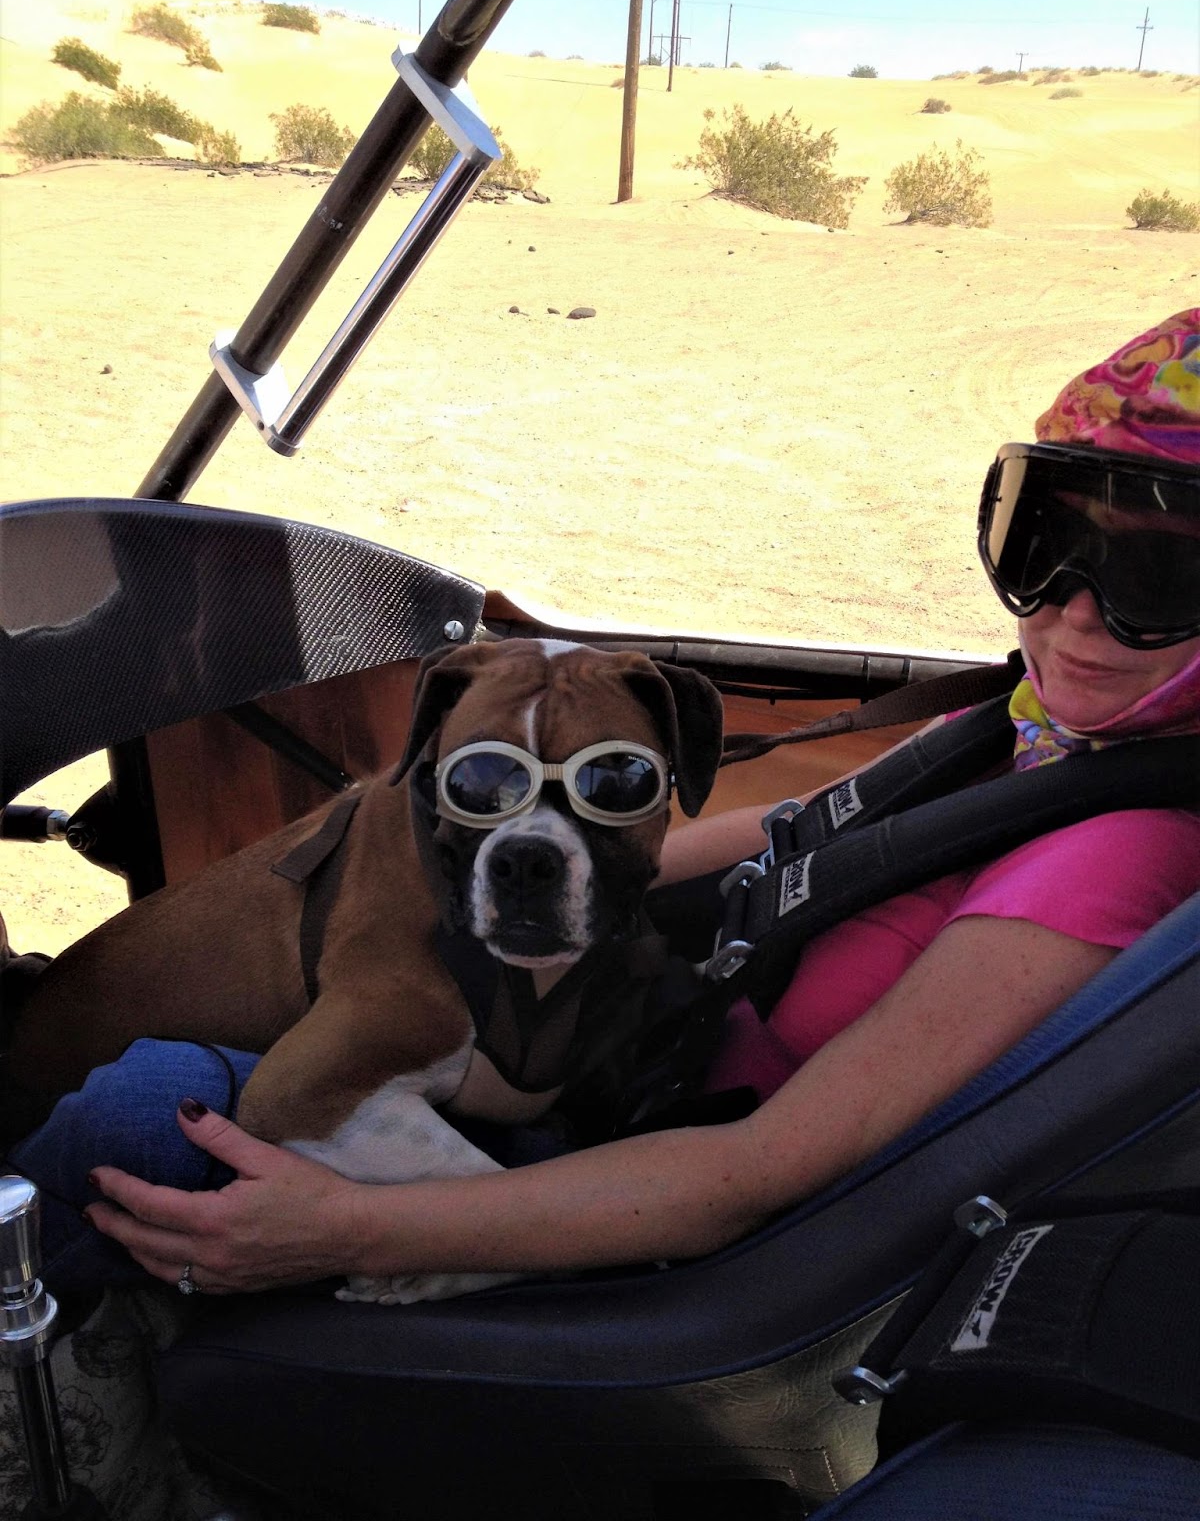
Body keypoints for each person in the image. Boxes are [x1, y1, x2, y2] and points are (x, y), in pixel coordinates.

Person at [9, 309, 1200, 1300]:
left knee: (123, 1115)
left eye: (1150, 573)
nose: (1071, 615)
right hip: (625, 1076)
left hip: (659, 1218)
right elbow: (765, 843)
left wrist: (352, 1231)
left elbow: (754, 1173)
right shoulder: (1016, 741)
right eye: (1042, 544)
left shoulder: (1113, 850)